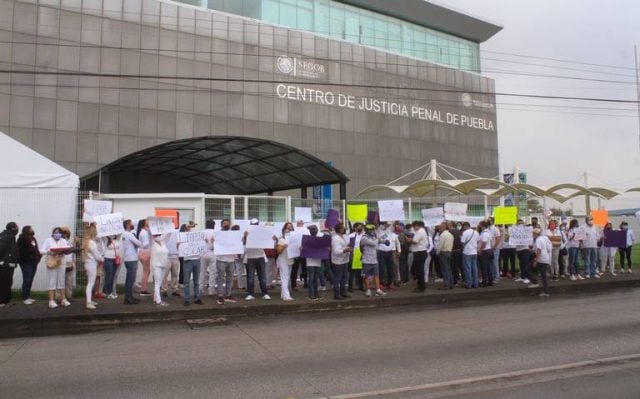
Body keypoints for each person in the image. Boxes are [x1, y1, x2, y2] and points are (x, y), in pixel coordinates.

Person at [40, 227, 71, 308]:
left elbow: (67, 249)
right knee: (52, 280)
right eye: (56, 232)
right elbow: (41, 250)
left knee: (61, 280)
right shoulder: (48, 240)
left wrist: (66, 251)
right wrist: (49, 252)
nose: (57, 234)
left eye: (59, 233)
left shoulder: (63, 240)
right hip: (52, 262)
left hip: (61, 262)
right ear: (53, 233)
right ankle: (51, 300)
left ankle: (63, 299)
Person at [243, 219, 271, 301]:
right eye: (253, 224)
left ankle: (265, 293)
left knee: (262, 277)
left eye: (256, 224)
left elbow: (268, 241)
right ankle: (250, 294)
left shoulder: (262, 232)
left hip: (260, 256)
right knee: (250, 277)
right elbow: (243, 243)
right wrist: (245, 236)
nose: (255, 225)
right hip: (250, 257)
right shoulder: (247, 231)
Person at [181, 222, 205, 306]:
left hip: (197, 259)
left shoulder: (196, 234)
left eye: (191, 225)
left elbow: (202, 242)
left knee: (196, 281)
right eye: (188, 225)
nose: (190, 226)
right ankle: (187, 298)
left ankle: (197, 297)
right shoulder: (183, 235)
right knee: (186, 281)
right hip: (188, 260)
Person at [360, 224, 387, 297]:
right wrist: (378, 239)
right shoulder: (364, 238)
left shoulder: (373, 237)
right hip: (366, 260)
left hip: (374, 260)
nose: (372, 231)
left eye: (373, 229)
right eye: (371, 229)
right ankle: (368, 290)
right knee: (366, 276)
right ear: (367, 230)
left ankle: (378, 290)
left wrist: (385, 241)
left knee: (376, 275)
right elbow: (373, 243)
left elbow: (378, 241)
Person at [215, 220, 238, 305]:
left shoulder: (233, 234)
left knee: (230, 278)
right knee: (221, 278)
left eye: (228, 223)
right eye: (224, 223)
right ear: (221, 225)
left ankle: (228, 294)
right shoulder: (217, 234)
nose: (226, 225)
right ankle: (220, 295)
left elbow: (238, 242)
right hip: (221, 259)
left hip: (231, 259)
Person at [17, 225, 41, 305]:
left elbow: (36, 249)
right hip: (26, 262)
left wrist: (38, 256)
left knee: (30, 279)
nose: (32, 230)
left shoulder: (33, 239)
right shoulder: (22, 238)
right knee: (26, 279)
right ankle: (24, 298)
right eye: (31, 229)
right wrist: (29, 257)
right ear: (27, 230)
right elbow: (21, 251)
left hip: (34, 262)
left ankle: (28, 296)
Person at [121, 219, 142, 304]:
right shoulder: (129, 234)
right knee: (131, 279)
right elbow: (139, 243)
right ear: (128, 225)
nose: (132, 225)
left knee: (129, 279)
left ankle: (129, 296)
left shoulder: (124, 234)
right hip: (132, 258)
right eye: (131, 224)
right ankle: (128, 298)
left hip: (128, 258)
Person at [83, 225, 103, 309]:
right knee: (91, 283)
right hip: (92, 263)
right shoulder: (92, 243)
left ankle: (90, 300)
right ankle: (88, 302)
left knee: (90, 283)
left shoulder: (86, 242)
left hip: (88, 263)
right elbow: (97, 256)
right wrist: (102, 259)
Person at [0, 222, 20, 307]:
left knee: (8, 282)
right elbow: (1, 249)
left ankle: (6, 301)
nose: (17, 229)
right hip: (4, 265)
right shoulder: (5, 236)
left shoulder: (11, 236)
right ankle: (1, 301)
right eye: (16, 227)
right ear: (13, 228)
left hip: (9, 265)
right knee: (3, 283)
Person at [331, 222, 352, 300]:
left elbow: (344, 245)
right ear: (339, 230)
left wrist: (348, 247)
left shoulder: (343, 237)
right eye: (343, 228)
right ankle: (336, 294)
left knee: (344, 277)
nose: (344, 229)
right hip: (338, 261)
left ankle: (343, 292)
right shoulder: (335, 238)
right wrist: (346, 250)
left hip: (344, 260)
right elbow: (337, 251)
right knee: (337, 278)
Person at [275, 222, 295, 301]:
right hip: (283, 260)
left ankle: (283, 295)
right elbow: (278, 251)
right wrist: (284, 247)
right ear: (283, 231)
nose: (289, 231)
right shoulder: (281, 240)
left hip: (290, 260)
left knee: (287, 278)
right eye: (287, 230)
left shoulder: (293, 240)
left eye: (290, 229)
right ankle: (286, 296)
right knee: (284, 278)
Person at [407, 220, 428, 293]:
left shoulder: (421, 231)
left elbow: (415, 241)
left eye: (414, 226)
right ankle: (419, 284)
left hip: (420, 252)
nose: (413, 228)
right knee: (417, 269)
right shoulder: (419, 231)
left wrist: (409, 240)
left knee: (419, 270)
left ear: (417, 226)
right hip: (419, 252)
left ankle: (421, 286)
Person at [151, 233, 171, 306]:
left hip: (163, 264)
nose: (158, 237)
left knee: (160, 283)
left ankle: (155, 298)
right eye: (156, 235)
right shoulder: (152, 243)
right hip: (156, 265)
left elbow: (168, 234)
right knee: (157, 283)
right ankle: (158, 301)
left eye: (159, 235)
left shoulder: (163, 242)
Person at [532, 228, 552, 297]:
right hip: (547, 258)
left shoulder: (538, 240)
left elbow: (538, 250)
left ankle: (546, 292)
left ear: (535, 234)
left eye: (533, 234)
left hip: (542, 259)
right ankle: (546, 291)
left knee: (544, 277)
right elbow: (549, 248)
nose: (532, 235)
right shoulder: (545, 238)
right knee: (544, 276)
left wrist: (536, 260)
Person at [102, 234, 121, 299]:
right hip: (108, 258)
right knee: (109, 275)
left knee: (112, 276)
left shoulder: (117, 239)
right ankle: (108, 292)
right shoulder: (106, 238)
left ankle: (109, 291)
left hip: (115, 259)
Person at [60, 227, 77, 300]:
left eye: (67, 233)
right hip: (62, 263)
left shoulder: (69, 242)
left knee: (69, 281)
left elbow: (72, 252)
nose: (65, 234)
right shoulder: (59, 242)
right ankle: (59, 297)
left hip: (70, 263)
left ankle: (69, 296)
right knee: (61, 281)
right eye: (64, 233)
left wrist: (73, 262)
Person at [460, 222, 479, 289]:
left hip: (467, 252)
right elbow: (477, 241)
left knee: (467, 269)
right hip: (474, 252)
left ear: (465, 226)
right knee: (475, 268)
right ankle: (476, 283)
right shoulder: (476, 232)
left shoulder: (465, 232)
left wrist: (463, 248)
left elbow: (462, 242)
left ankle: (468, 284)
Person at [136, 219, 152, 296]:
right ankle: (143, 290)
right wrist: (151, 242)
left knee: (146, 271)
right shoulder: (144, 233)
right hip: (145, 252)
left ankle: (143, 288)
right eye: (147, 222)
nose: (148, 222)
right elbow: (145, 244)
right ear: (144, 224)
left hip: (142, 252)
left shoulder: (142, 232)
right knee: (146, 271)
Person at [201, 220, 216, 296]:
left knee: (202, 272)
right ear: (214, 225)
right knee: (212, 272)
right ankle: (211, 290)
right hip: (213, 253)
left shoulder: (202, 232)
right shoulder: (216, 232)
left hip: (203, 253)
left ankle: (201, 288)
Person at [436, 222, 454, 290]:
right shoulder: (450, 235)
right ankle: (450, 284)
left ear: (443, 228)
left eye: (440, 227)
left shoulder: (443, 235)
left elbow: (440, 245)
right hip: (449, 252)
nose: (439, 228)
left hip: (443, 253)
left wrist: (437, 252)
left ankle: (446, 285)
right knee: (449, 269)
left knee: (444, 269)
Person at [477, 221, 495, 287]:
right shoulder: (488, 232)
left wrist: (480, 250)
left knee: (484, 268)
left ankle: (484, 282)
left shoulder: (484, 233)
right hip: (489, 251)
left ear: (482, 226)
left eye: (479, 225)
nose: (478, 227)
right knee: (489, 267)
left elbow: (484, 242)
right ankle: (490, 281)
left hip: (485, 251)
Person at [347, 222, 364, 291]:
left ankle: (361, 286)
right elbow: (348, 245)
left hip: (361, 255)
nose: (360, 228)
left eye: (361, 227)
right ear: (355, 228)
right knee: (352, 272)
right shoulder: (351, 236)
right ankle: (350, 287)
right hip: (353, 255)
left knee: (361, 272)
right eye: (359, 227)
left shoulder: (364, 235)